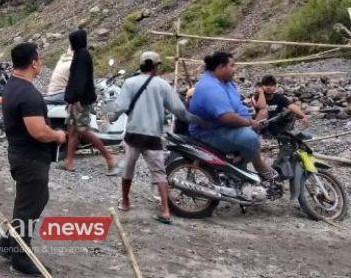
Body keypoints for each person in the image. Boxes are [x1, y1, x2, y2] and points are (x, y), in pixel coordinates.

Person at [0, 42, 67, 276]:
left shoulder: (12, 85)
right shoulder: (28, 93)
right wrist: (57, 135)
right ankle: (21, 258)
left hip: (21, 155)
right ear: (33, 63)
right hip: (30, 159)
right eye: (40, 58)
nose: (41, 62)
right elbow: (38, 131)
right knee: (29, 207)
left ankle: (9, 244)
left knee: (30, 202)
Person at [113, 51, 203, 222]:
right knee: (159, 173)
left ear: (141, 65)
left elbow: (119, 107)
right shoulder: (162, 85)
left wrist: (112, 116)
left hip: (133, 134)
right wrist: (198, 121)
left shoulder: (130, 82)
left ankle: (125, 202)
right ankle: (165, 210)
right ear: (155, 66)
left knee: (128, 168)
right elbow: (179, 110)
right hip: (153, 136)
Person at [188, 52, 275, 180]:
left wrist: (253, 120)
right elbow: (226, 117)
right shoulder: (210, 87)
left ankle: (239, 173)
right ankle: (258, 165)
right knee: (251, 139)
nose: (235, 70)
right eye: (232, 66)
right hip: (209, 132)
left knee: (259, 124)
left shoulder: (226, 82)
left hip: (224, 127)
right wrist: (250, 123)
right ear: (221, 67)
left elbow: (238, 106)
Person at [62, 29, 117, 174]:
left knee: (83, 131)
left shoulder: (82, 55)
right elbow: (75, 80)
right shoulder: (80, 54)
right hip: (76, 100)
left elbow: (80, 80)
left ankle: (109, 158)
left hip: (80, 102)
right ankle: (69, 162)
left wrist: (75, 99)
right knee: (73, 131)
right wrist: (70, 99)